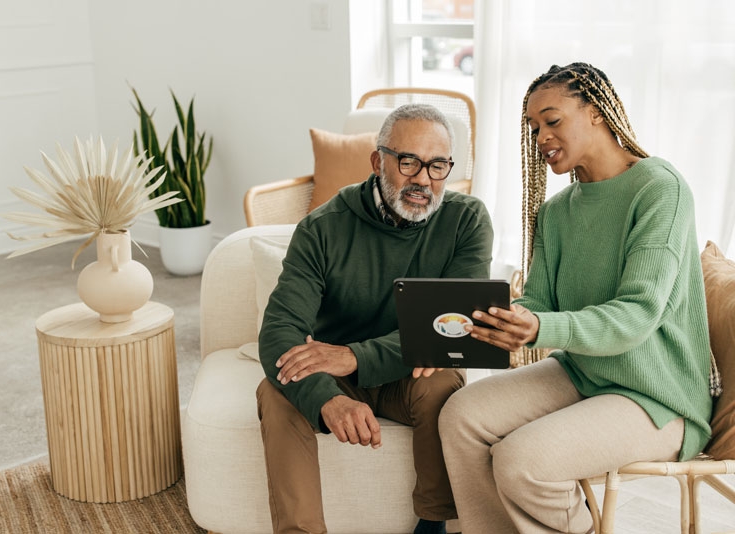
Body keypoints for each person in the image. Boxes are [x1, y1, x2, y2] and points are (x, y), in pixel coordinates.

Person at [438, 62, 714, 533]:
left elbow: (637, 315)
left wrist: (542, 328)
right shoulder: (557, 211)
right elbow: (541, 300)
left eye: (552, 120)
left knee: (522, 459)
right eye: (533, 127)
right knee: (461, 414)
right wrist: (507, 319)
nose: (540, 136)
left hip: (657, 397)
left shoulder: (659, 190)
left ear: (597, 114)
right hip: (585, 372)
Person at [256, 103, 494, 534]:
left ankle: (433, 523)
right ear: (376, 160)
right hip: (336, 376)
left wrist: (354, 356)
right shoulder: (321, 228)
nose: (423, 178)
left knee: (442, 382)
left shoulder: (467, 220)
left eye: (437, 165)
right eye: (408, 162)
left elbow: (452, 331)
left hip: (411, 373)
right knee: (276, 393)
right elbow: (278, 332)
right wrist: (327, 397)